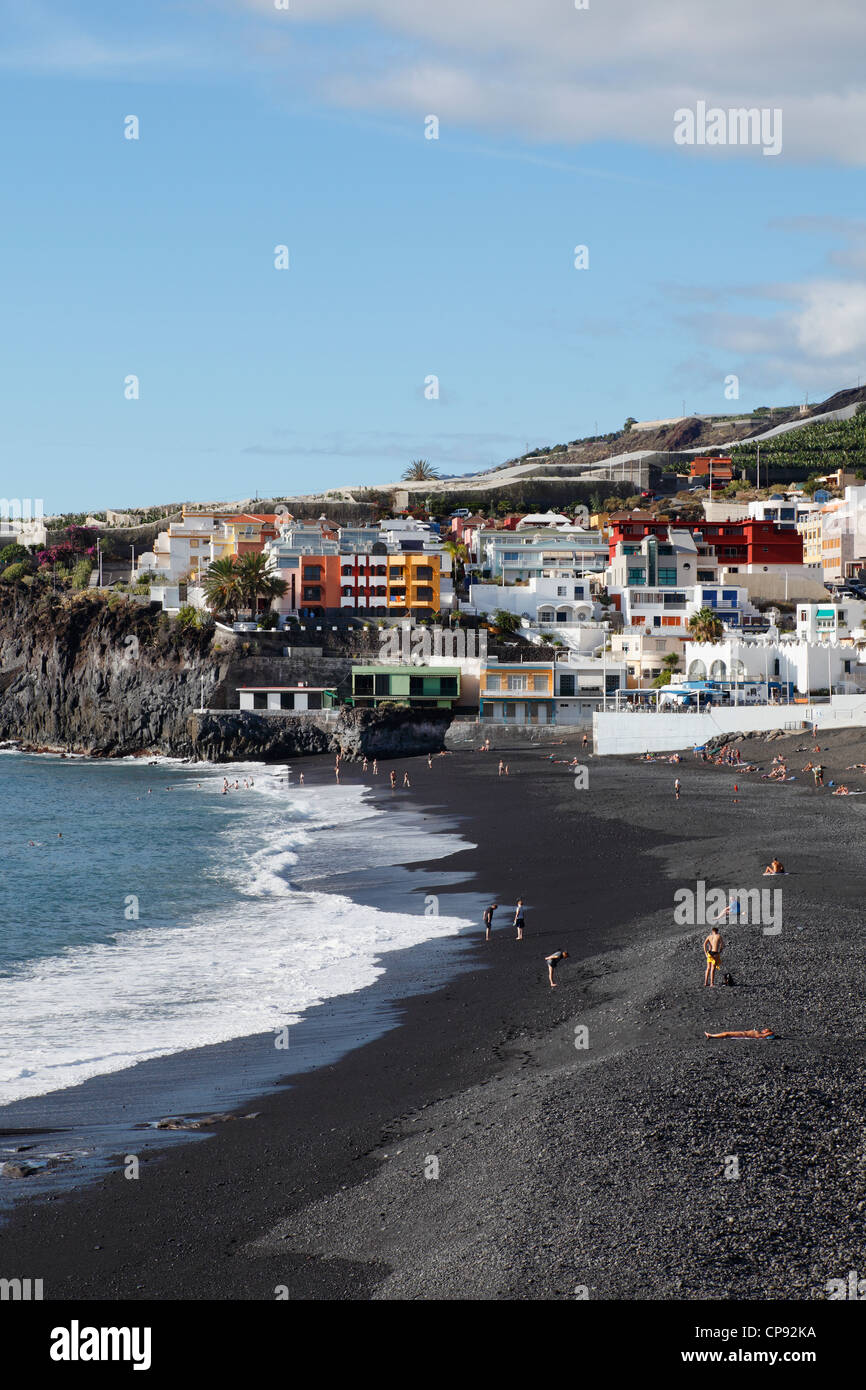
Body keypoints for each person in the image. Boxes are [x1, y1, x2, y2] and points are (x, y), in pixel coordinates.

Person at [704, 1028, 775, 1040]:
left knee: (726, 1034)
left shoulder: (760, 1035)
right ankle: (712, 1035)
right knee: (726, 1033)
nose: (764, 1029)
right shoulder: (759, 1033)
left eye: (766, 1030)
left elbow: (772, 1033)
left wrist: (769, 1033)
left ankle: (711, 1035)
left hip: (742, 1035)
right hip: (742, 1033)